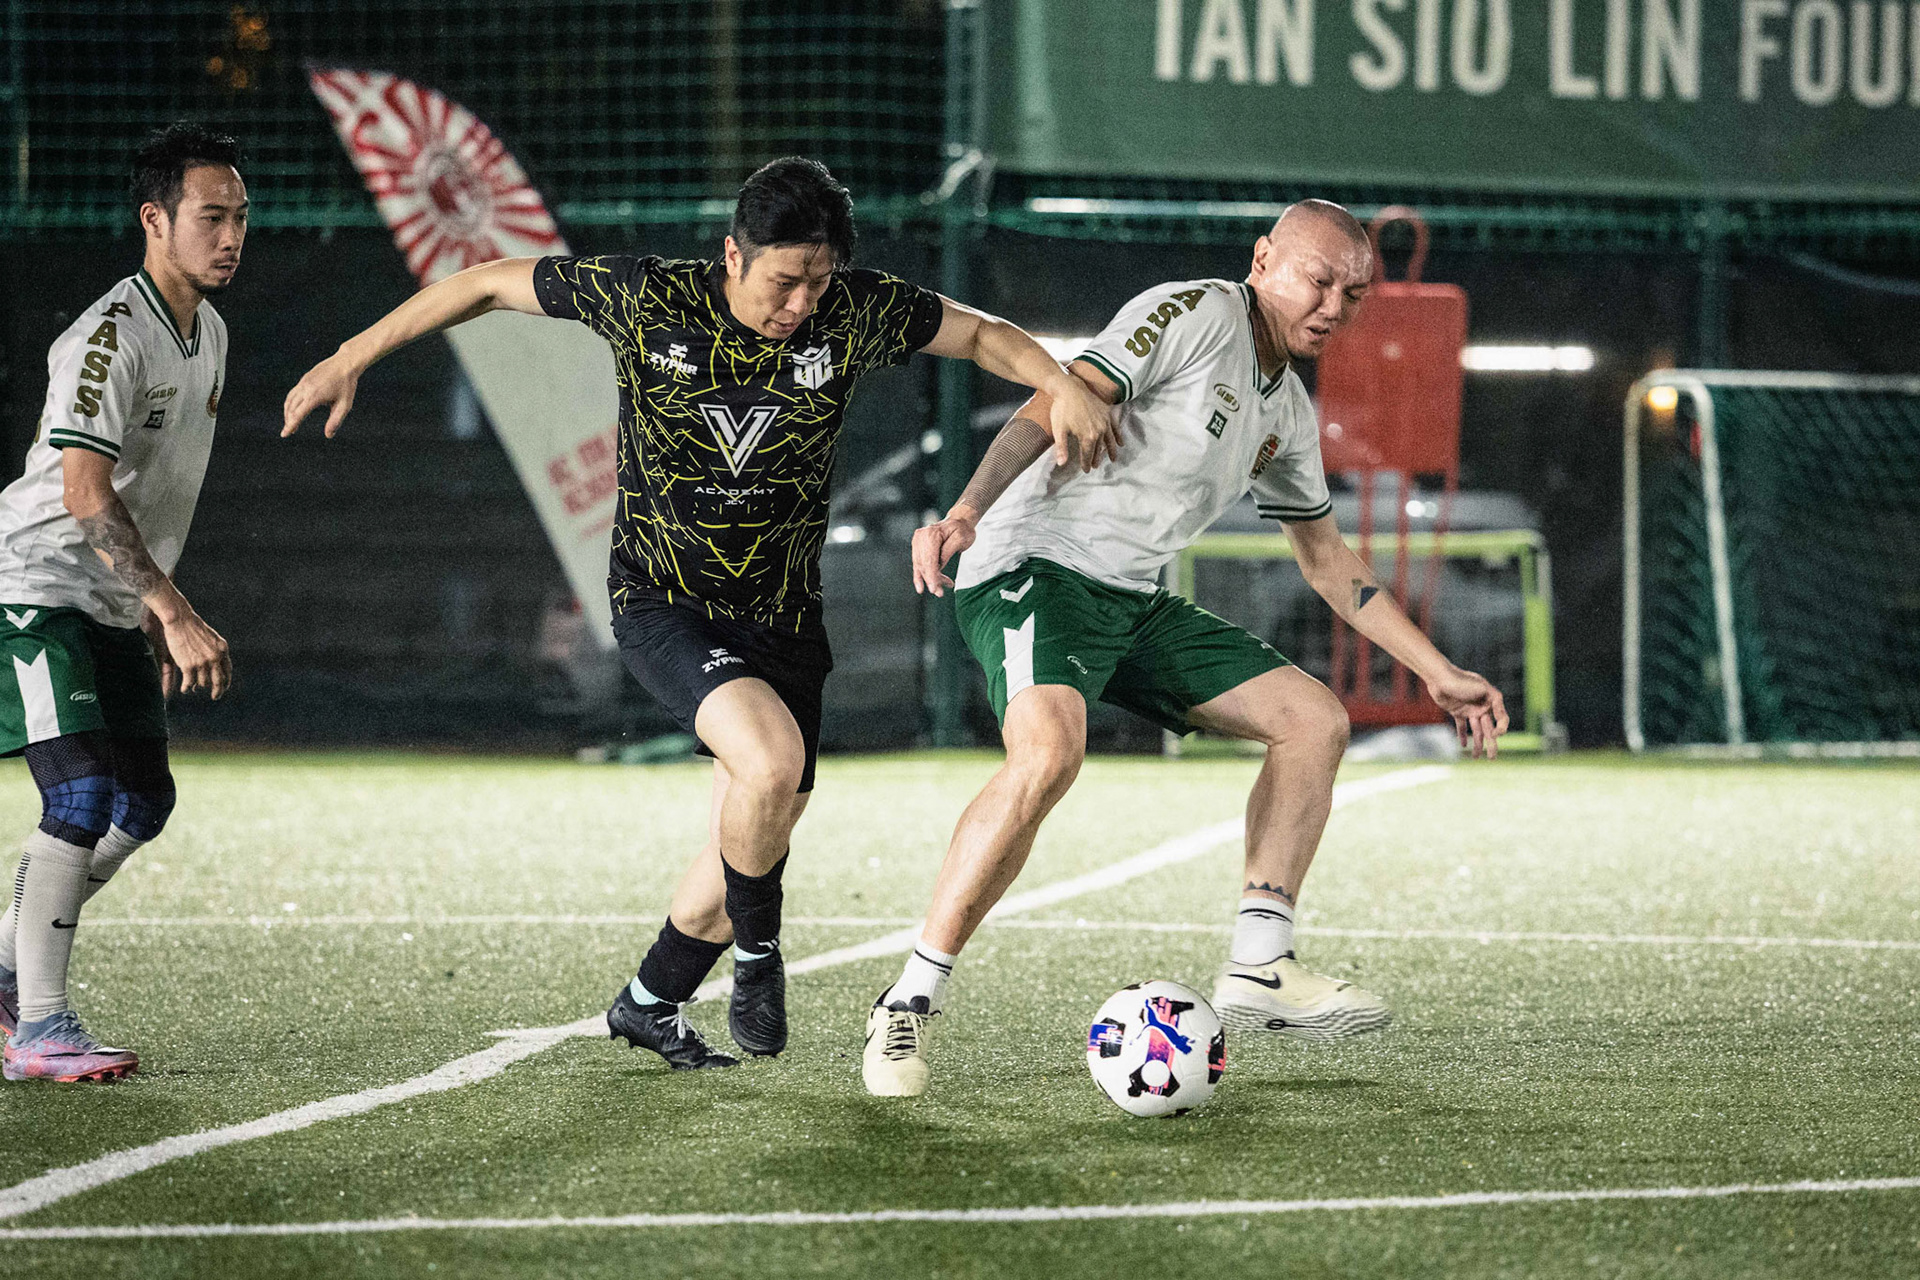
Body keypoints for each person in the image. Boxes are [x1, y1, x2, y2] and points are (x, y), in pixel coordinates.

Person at [283, 157, 1116, 1072]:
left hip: (785, 618)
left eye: (818, 281)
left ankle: (650, 1002)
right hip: (664, 603)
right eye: (783, 280)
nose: (800, 301)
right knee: (770, 766)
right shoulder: (649, 298)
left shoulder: (853, 311)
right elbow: (483, 283)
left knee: (750, 834)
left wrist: (1064, 381)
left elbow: (984, 336)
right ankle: (759, 958)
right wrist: (349, 355)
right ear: (732, 255)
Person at [863, 200, 1509, 1097]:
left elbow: (1327, 560)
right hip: (1034, 565)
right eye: (1318, 280)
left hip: (1131, 598)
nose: (1333, 306)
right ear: (1264, 260)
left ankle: (1260, 964)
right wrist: (966, 512)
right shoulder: (1199, 313)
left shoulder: (1287, 411)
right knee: (1048, 754)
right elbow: (1051, 400)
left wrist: (1438, 671)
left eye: (1354, 294)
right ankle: (907, 1001)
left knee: (1313, 721)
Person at [0, 123, 242, 1082]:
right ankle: (39, 1028)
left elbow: (156, 485)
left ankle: (7, 969)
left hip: (107, 600)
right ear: (155, 219)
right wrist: (172, 608)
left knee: (144, 802)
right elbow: (84, 489)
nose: (232, 236)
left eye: (241, 218)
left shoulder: (209, 330)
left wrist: (142, 601)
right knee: (80, 794)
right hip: (33, 589)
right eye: (211, 217)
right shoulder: (108, 336)